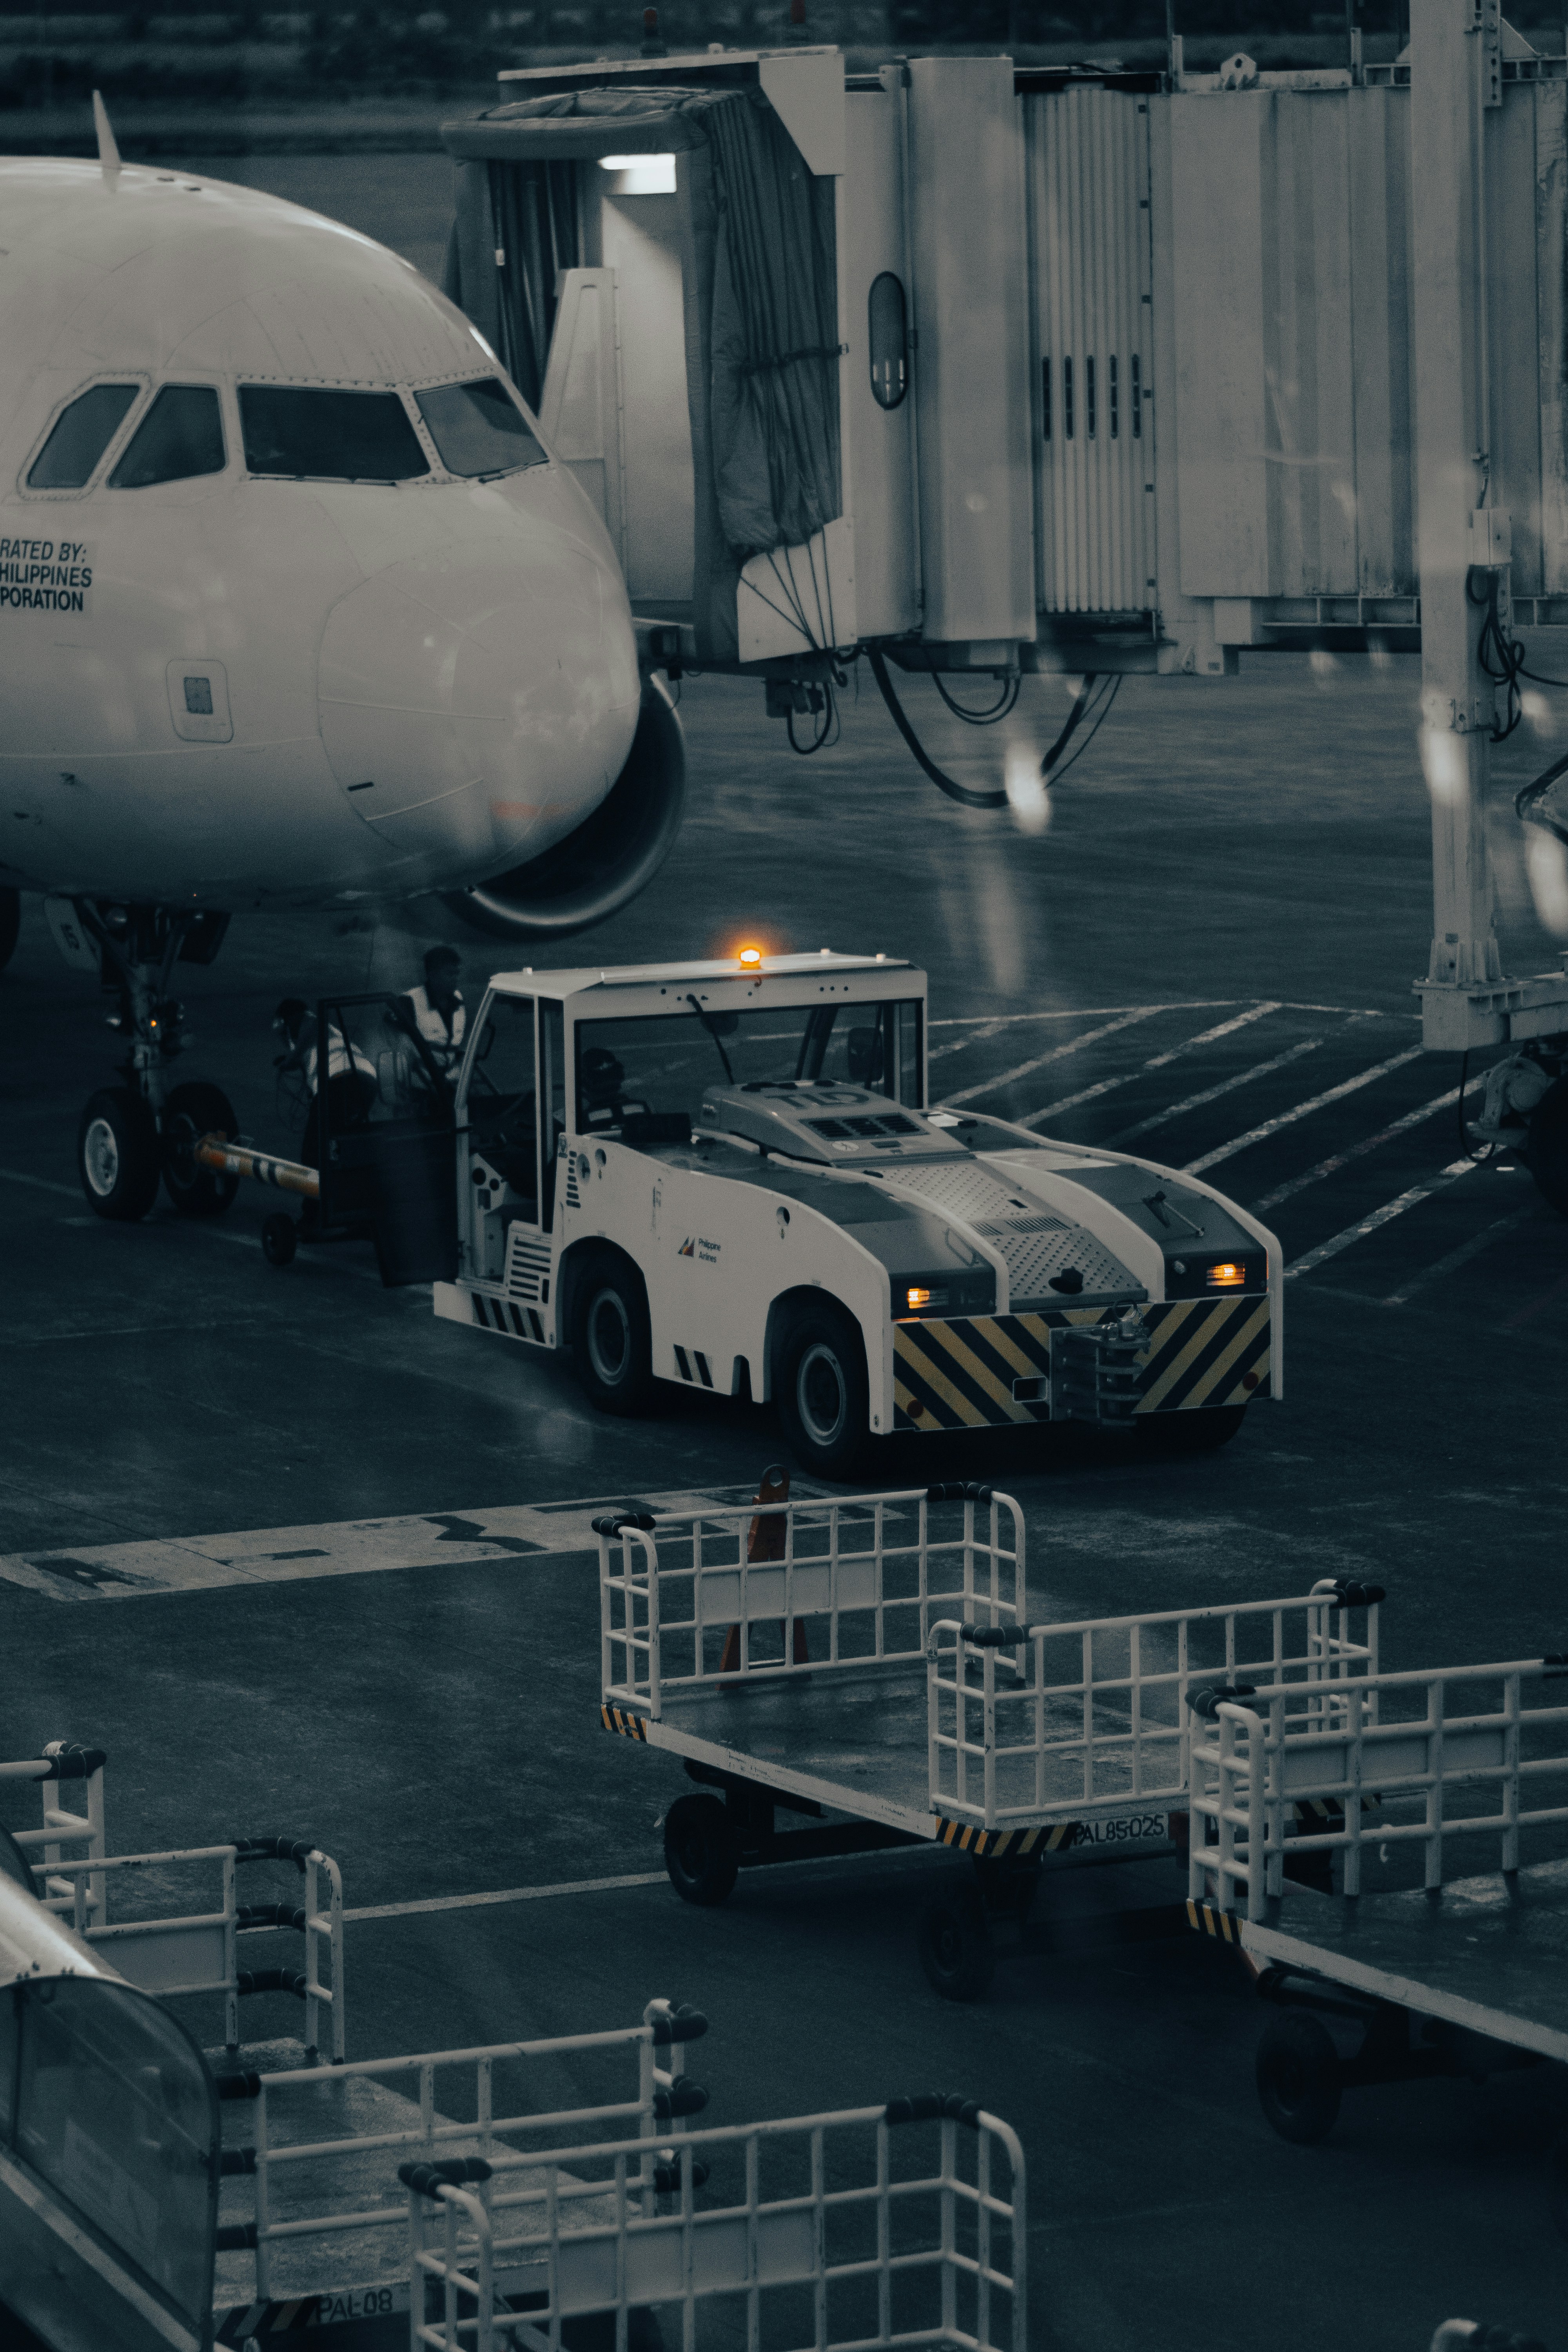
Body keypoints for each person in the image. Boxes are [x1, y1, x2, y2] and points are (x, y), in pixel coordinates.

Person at [397, 946, 466, 1083]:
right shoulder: (409, 1002)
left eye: (457, 973)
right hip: (421, 1088)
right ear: (432, 975)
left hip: (453, 1085)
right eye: (450, 974)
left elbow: (460, 1046)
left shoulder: (458, 1000)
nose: (455, 979)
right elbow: (400, 1053)